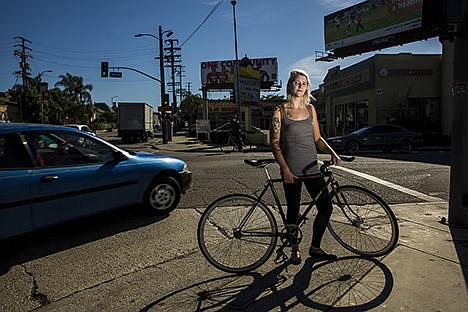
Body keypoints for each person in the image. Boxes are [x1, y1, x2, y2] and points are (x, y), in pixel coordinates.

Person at [270, 69, 341, 265]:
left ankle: (315, 247)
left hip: (311, 168)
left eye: (304, 83)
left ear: (307, 87)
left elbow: (317, 138)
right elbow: (275, 143)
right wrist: (285, 169)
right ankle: (294, 249)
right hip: (291, 169)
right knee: (293, 211)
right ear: (289, 85)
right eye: (296, 82)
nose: (300, 86)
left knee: (326, 207)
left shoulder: (311, 109)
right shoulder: (280, 111)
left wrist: (332, 152)